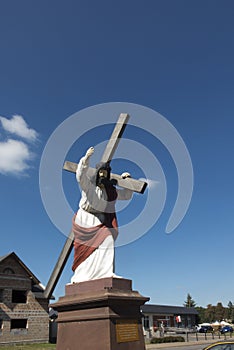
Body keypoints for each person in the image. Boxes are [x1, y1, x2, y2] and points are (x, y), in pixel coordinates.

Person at [71, 146, 133, 283]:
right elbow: (80, 175)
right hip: (86, 218)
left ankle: (106, 273)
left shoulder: (110, 192)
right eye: (101, 173)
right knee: (86, 249)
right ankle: (82, 276)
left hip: (100, 219)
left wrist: (127, 182)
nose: (102, 176)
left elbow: (126, 195)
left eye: (105, 173)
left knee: (108, 239)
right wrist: (86, 159)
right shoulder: (89, 187)